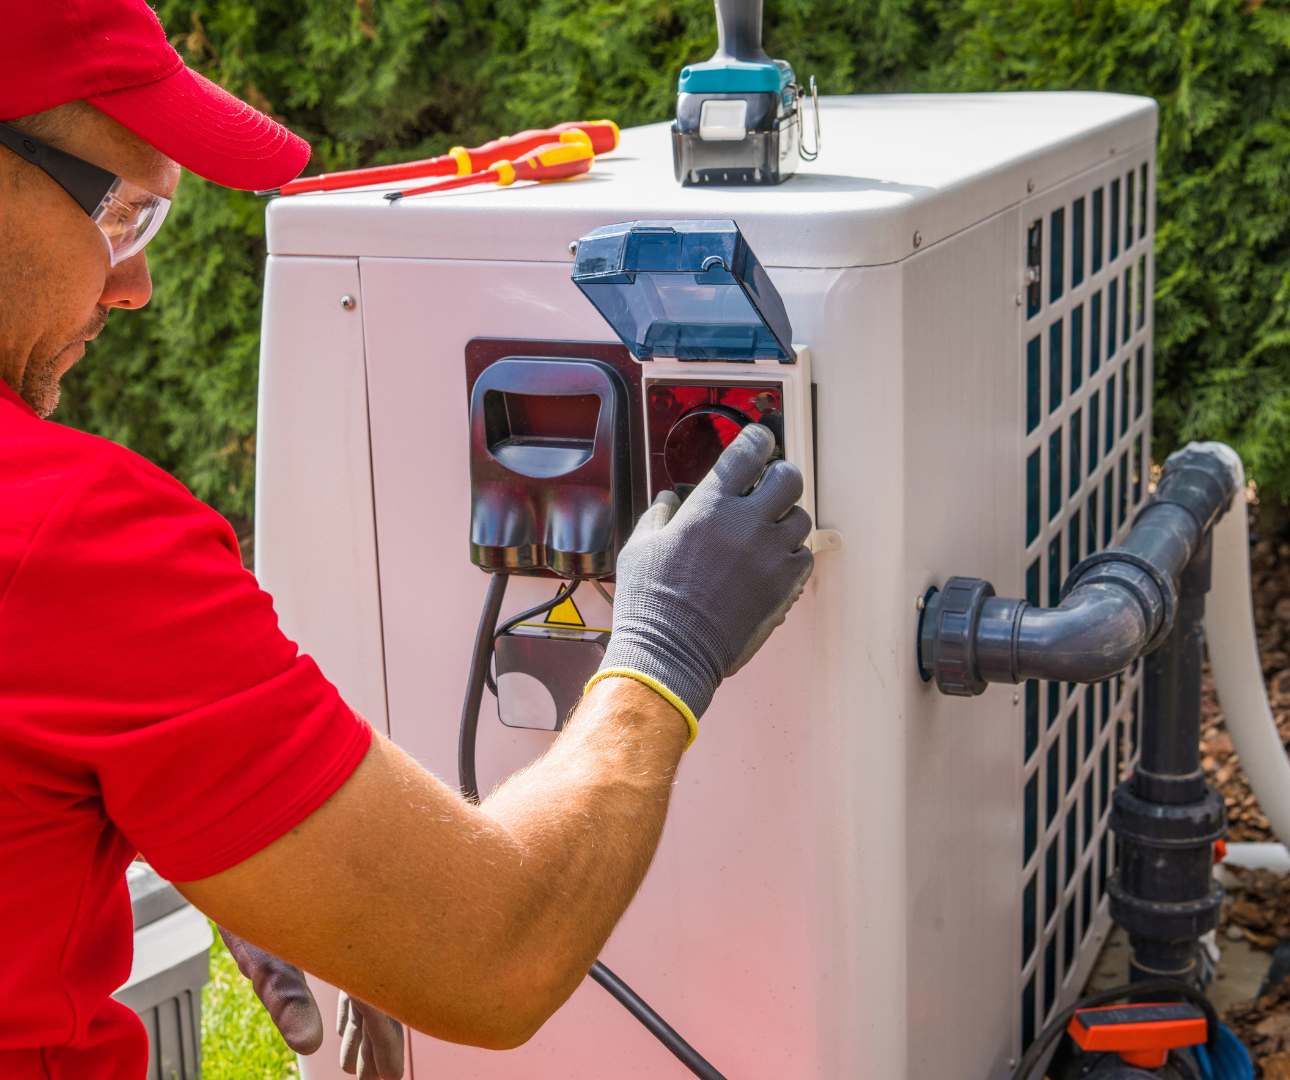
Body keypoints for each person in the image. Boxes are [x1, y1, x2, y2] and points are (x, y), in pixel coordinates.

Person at [0, 2, 815, 1079]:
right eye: (121, 215)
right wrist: (666, 651)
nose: (136, 287)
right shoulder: (72, 536)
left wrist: (208, 810)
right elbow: (495, 952)